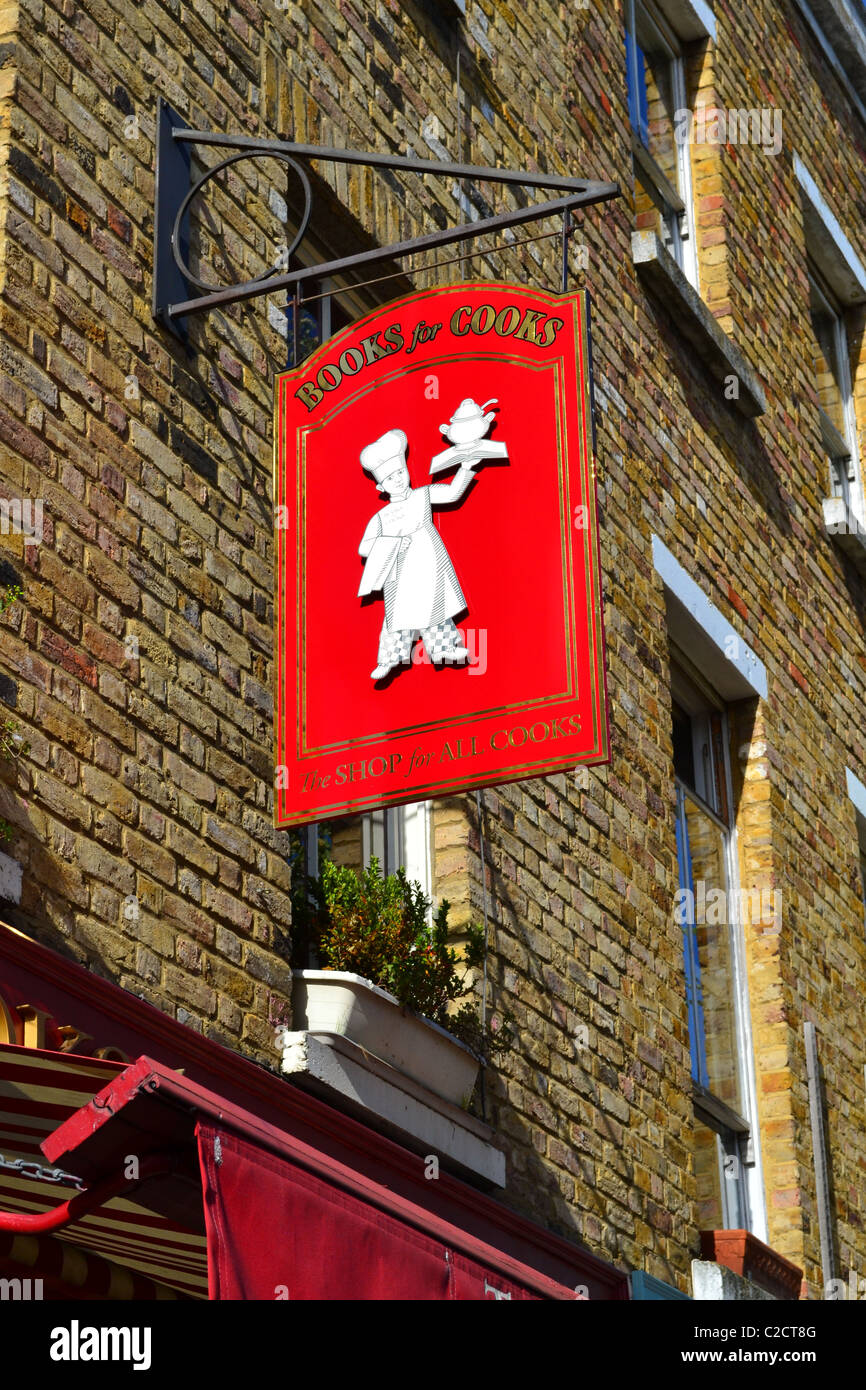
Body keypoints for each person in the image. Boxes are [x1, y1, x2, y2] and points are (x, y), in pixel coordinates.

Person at [358, 428, 478, 680]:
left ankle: (444, 648)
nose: (398, 479)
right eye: (391, 478)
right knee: (397, 618)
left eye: (401, 472)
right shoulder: (380, 517)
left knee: (435, 608)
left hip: (428, 564)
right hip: (399, 575)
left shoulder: (423, 495)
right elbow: (364, 547)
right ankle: (389, 659)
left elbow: (452, 493)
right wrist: (390, 543)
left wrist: (466, 468)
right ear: (380, 485)